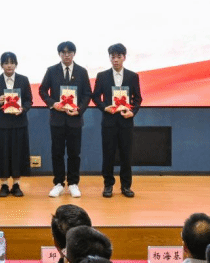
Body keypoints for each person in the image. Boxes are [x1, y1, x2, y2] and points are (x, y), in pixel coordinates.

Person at [39, 41, 91, 198]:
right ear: (59, 54)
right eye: (63, 52)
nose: (66, 55)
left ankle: (73, 183)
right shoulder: (52, 70)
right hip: (57, 119)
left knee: (74, 153)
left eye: (69, 52)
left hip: (75, 119)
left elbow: (87, 94)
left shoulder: (82, 71)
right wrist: (52, 103)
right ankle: (58, 183)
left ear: (74, 53)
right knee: (57, 153)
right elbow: (42, 90)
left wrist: (79, 110)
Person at [93, 43, 141, 198]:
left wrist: (132, 112)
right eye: (112, 57)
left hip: (126, 122)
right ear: (109, 58)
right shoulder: (102, 76)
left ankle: (126, 186)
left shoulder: (133, 76)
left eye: (118, 56)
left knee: (126, 155)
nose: (115, 60)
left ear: (124, 57)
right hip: (109, 122)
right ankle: (108, 185)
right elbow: (95, 97)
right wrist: (104, 108)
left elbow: (138, 98)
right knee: (108, 154)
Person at [0, 51, 32, 197]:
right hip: (2, 124)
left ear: (16, 64)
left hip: (19, 122)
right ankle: (4, 185)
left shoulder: (23, 80)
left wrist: (23, 109)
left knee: (18, 154)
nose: (9, 66)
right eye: (6, 63)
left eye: (12, 62)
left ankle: (16, 184)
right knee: (2, 154)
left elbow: (29, 100)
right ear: (2, 65)